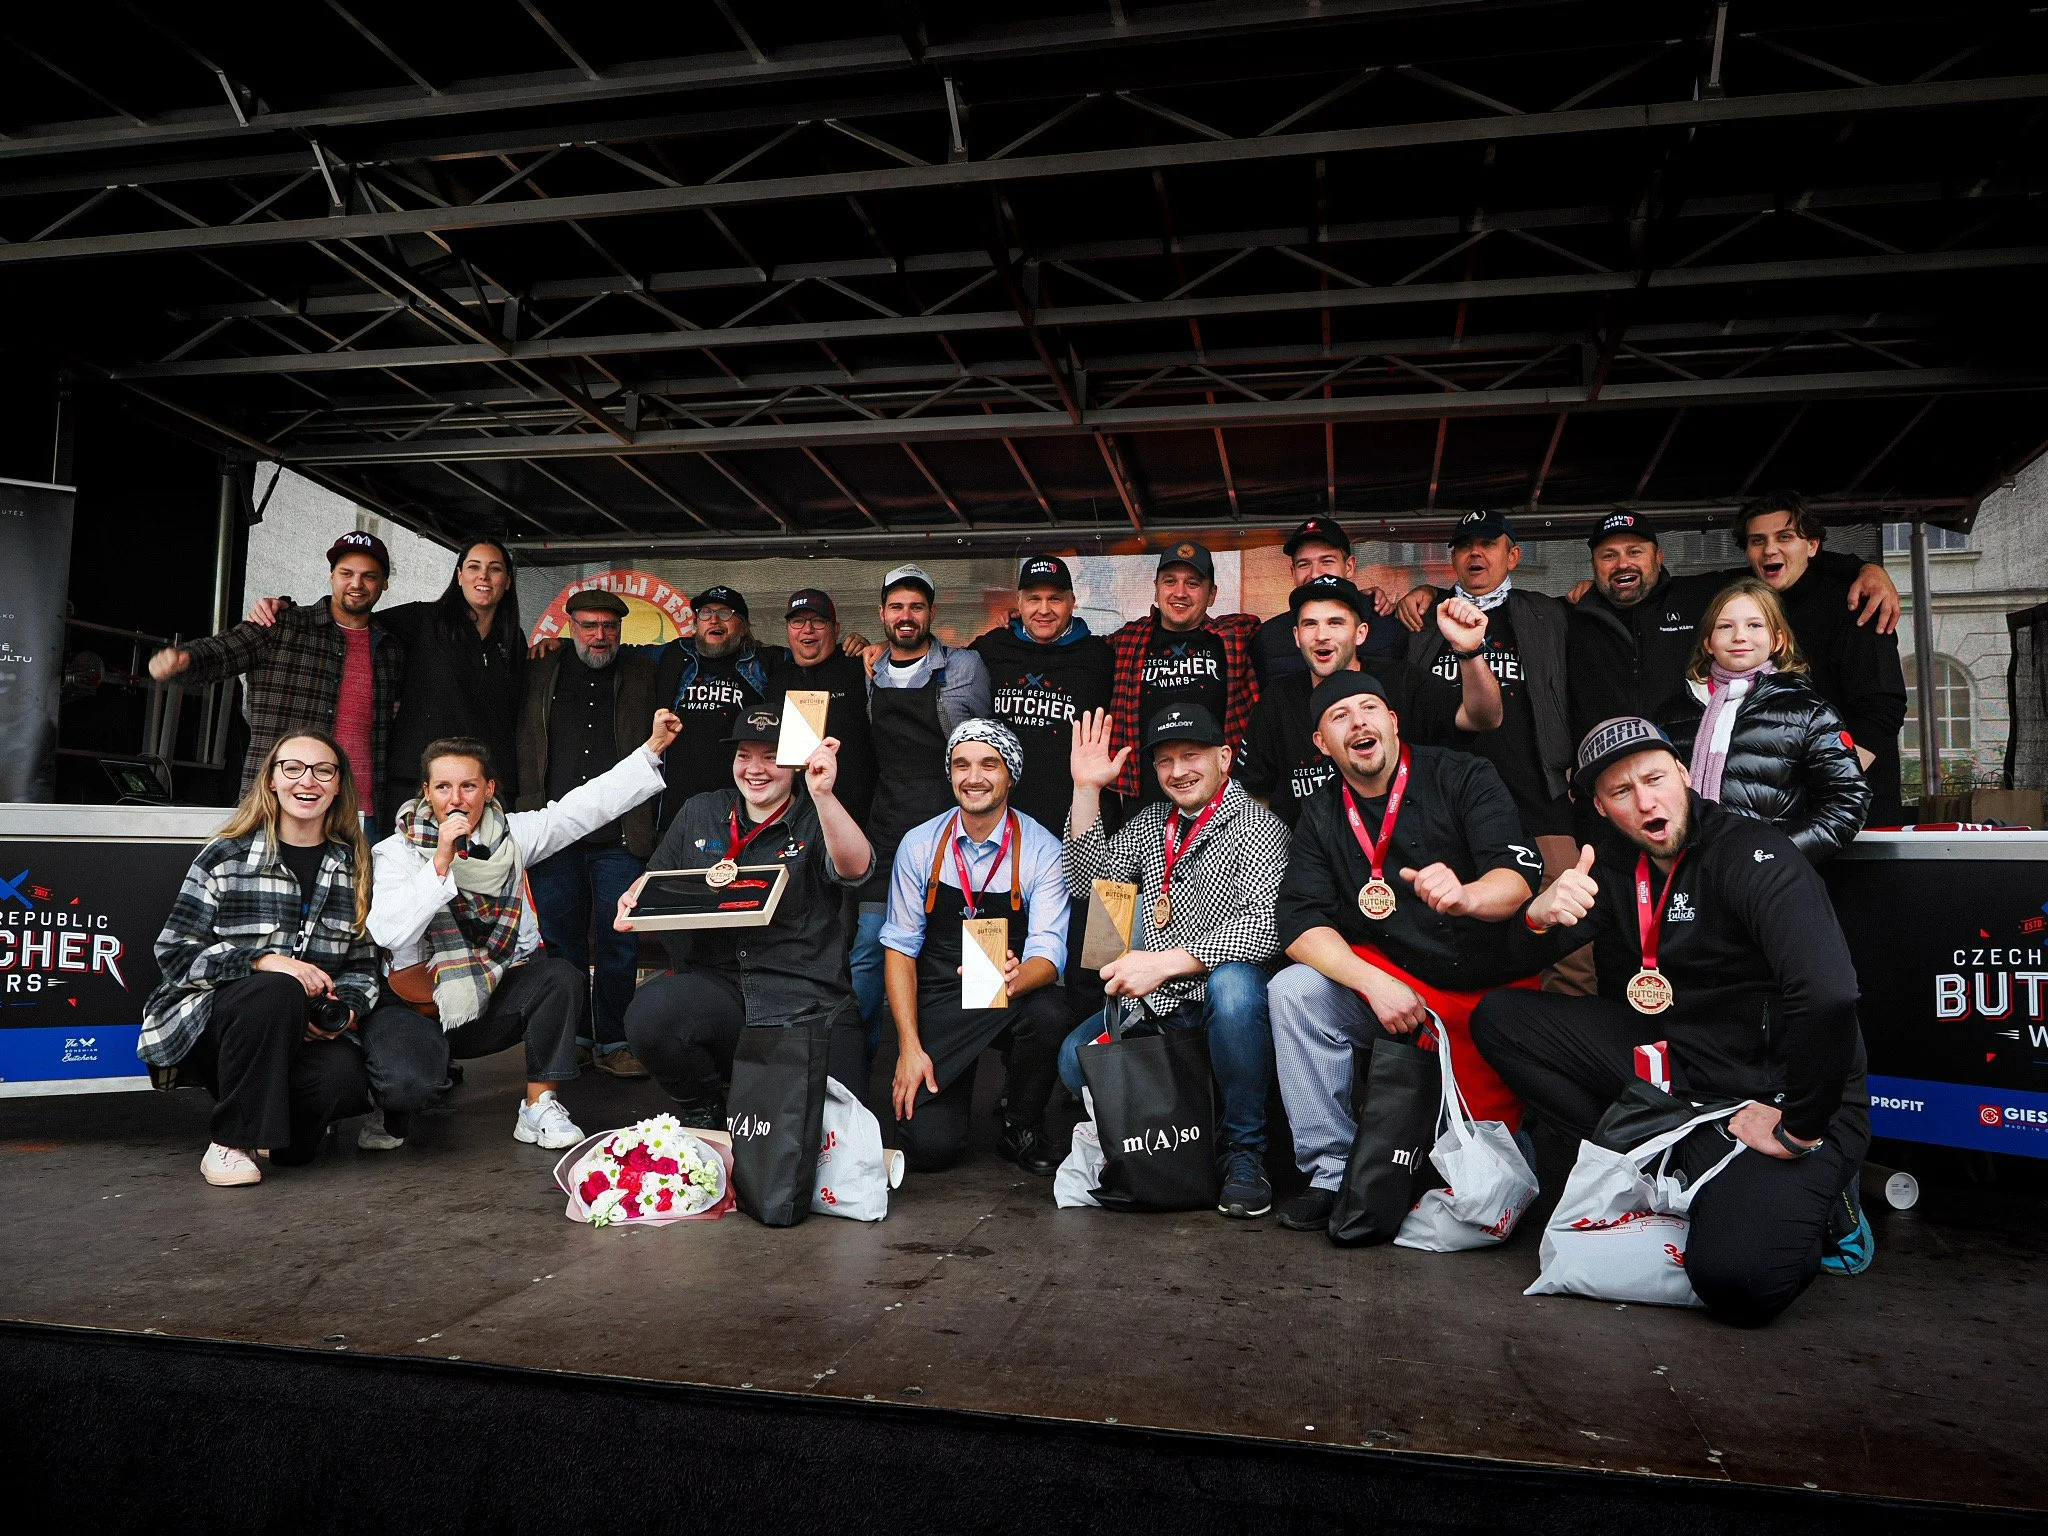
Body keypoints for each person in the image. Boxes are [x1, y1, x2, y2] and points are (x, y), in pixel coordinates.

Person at [1473, 717, 1876, 1326]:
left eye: (1656, 779)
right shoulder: (1609, 866)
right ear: (1602, 810)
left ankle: (1818, 1194)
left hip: (1781, 1097)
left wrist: (1801, 1125)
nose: (1646, 802)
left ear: (1684, 775)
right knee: (1501, 1019)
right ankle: (1674, 1156)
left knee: (1739, 1284)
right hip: (1687, 1082)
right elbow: (1503, 965)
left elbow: (1829, 996)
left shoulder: (1752, 854)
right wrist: (1538, 915)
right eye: (1621, 792)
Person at [1266, 673, 1545, 1233]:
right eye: (1340, 716)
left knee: (1500, 1178)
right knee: (1292, 990)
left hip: (1487, 996)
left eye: (1370, 708)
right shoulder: (1322, 813)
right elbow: (1298, 922)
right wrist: (1372, 983)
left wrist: (1467, 896)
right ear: (1322, 743)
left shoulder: (1464, 774)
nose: (1359, 722)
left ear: (1393, 721)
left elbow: (1517, 877)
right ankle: (1332, 1173)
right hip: (1393, 987)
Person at [361, 710, 682, 1152]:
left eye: (469, 785)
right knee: (408, 1087)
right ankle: (393, 1101)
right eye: (443, 787)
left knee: (560, 976)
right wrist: (439, 862)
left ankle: (539, 1106)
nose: (456, 798)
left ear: (488, 789)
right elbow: (388, 933)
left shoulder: (512, 836)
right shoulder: (395, 852)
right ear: (426, 793)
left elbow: (581, 809)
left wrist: (651, 750)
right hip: (416, 1005)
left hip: (487, 1000)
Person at [1058, 705, 1290, 1220]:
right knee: (1075, 1058)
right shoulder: (1148, 826)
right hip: (1161, 1008)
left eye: (1192, 756)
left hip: (1223, 1007)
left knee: (1235, 988)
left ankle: (1245, 1154)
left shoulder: (1257, 827)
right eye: (1165, 761)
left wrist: (1164, 964)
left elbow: (1267, 930)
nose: (1178, 770)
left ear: (1225, 758)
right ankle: (1180, 1148)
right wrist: (1086, 790)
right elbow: (1089, 888)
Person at [138, 730, 377, 1186]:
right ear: (271, 779)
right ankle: (229, 1144)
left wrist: (342, 1010)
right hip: (219, 1027)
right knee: (276, 990)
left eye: (323, 770)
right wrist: (262, 961)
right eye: (293, 768)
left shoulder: (354, 866)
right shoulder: (226, 855)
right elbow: (174, 953)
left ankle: (275, 1133)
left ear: (338, 784)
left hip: (301, 1035)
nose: (308, 781)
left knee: (344, 1080)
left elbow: (364, 966)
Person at [619, 705, 871, 1126]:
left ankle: (763, 1094)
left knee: (836, 1135)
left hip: (806, 1000)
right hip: (721, 992)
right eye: (744, 755)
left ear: (794, 763)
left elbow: (856, 868)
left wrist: (824, 794)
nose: (755, 769)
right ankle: (706, 1111)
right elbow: (655, 884)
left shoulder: (816, 816)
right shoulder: (701, 811)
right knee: (650, 1015)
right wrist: (632, 901)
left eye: (770, 757)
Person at [880, 720, 1072, 1176]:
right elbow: (899, 949)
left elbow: (1050, 952)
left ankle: (1020, 1122)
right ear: (949, 774)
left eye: (990, 764)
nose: (974, 777)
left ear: (1011, 775)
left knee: (1051, 1012)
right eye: (961, 765)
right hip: (941, 994)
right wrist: (908, 1047)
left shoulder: (1041, 848)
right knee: (930, 1150)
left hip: (1008, 991)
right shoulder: (920, 844)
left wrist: (1016, 976)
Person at [245, 537, 526, 828]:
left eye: (494, 569)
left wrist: (552, 647)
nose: (483, 576)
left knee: (475, 870)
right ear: (458, 576)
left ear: (507, 581)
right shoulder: (423, 619)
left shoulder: (513, 640)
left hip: (480, 789)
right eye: (473, 567)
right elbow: (352, 616)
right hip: (417, 785)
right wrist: (284, 606)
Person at [1564, 511, 1898, 750]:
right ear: (1594, 565)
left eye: (1635, 552)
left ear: (1659, 557)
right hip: (1605, 788)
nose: (1623, 563)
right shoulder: (1570, 616)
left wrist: (1866, 568)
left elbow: (1783, 563)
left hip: (1691, 779)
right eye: (1609, 555)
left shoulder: (1700, 594)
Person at [149, 531, 404, 810]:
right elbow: (223, 651)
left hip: (358, 811)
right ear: (331, 576)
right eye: (346, 573)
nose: (356, 584)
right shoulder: (282, 624)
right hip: (278, 806)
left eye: (369, 576)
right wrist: (183, 659)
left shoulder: (390, 648)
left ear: (384, 584)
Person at [516, 589, 660, 1079]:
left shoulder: (643, 670)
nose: (600, 636)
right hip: (552, 834)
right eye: (588, 626)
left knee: (620, 942)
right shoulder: (539, 669)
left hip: (620, 835)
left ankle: (615, 1040)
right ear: (568, 626)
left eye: (610, 627)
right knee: (561, 943)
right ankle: (573, 1037)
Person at [849, 563, 993, 1042]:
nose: (905, 615)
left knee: (967, 951)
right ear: (882, 614)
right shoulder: (869, 672)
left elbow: (979, 748)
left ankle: (966, 1058)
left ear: (931, 612)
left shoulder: (963, 666)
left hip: (954, 829)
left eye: (916, 606)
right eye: (896, 607)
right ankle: (853, 1070)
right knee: (870, 948)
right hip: (888, 828)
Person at [1239, 574, 1501, 826]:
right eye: (1310, 624)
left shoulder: (1404, 681)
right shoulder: (1278, 698)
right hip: (1309, 858)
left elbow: (1483, 718)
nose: (1321, 635)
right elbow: (1254, 791)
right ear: (1297, 636)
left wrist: (1470, 652)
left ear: (1361, 633)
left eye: (1335, 623)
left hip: (1403, 855)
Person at [1404, 509, 1577, 887]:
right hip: (1444, 794)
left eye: (1487, 543)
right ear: (1453, 559)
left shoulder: (1549, 613)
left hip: (1536, 790)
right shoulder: (1423, 616)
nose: (1475, 553)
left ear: (1513, 556)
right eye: (1465, 546)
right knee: (1455, 905)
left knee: (1563, 911)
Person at [1654, 580, 1870, 861]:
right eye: (1725, 626)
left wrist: (1774, 854)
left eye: (1754, 626)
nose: (1739, 636)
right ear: (1708, 642)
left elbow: (1848, 801)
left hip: (1768, 882)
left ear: (1777, 640)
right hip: (1684, 875)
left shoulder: (1808, 712)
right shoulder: (1672, 714)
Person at [1735, 493, 1909, 824]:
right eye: (1758, 541)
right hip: (1779, 814)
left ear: (1812, 546)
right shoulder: (1747, 605)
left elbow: (1882, 711)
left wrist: (1825, 784)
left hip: (1856, 811)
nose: (1770, 549)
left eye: (1785, 537)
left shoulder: (1856, 603)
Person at [1105, 541, 1261, 808]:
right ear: (1156, 589)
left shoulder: (1235, 637)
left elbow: (1295, 631)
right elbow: (1076, 647)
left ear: (1211, 594)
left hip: (1218, 797)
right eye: (1170, 582)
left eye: (1192, 583)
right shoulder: (1126, 641)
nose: (1180, 592)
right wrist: (1015, 625)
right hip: (1145, 799)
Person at [971, 556, 1116, 838]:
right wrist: (886, 649)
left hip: (1073, 817)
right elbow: (939, 662)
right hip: (1003, 818)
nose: (1044, 610)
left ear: (1073, 601)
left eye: (1055, 599)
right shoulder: (992, 647)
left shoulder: (1100, 655)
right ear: (1019, 602)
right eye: (1034, 599)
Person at [652, 585, 780, 833]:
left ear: (742, 625)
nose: (713, 619)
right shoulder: (675, 654)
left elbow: (814, 654)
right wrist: (557, 644)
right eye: (706, 612)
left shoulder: (766, 661)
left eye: (724, 613)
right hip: (676, 811)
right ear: (696, 623)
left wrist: (867, 646)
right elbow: (618, 651)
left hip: (742, 809)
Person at [768, 588, 878, 825]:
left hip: (857, 813)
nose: (807, 629)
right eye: (797, 621)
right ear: (787, 630)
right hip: (793, 820)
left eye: (818, 621)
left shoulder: (860, 666)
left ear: (836, 629)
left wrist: (880, 646)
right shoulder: (775, 677)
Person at [1251, 517, 1404, 687]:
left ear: (1349, 566)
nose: (1315, 573)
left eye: (1327, 561)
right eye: (1304, 564)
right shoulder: (1269, 637)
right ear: (1293, 572)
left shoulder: (1387, 624)